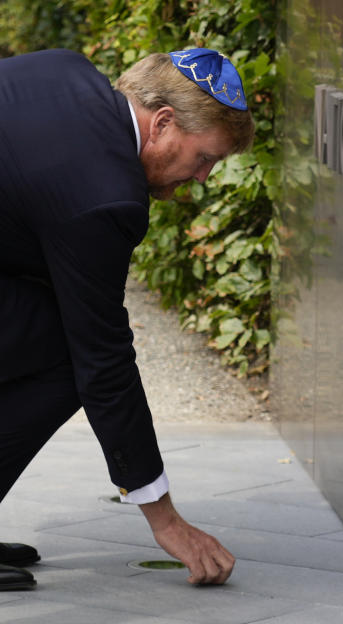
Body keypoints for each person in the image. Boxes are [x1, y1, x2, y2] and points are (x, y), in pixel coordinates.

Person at [0, 47, 254, 590]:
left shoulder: (66, 70)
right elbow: (104, 359)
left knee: (39, 326)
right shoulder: (105, 196)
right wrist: (166, 521)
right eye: (204, 157)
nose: (204, 177)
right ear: (163, 123)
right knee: (72, 348)